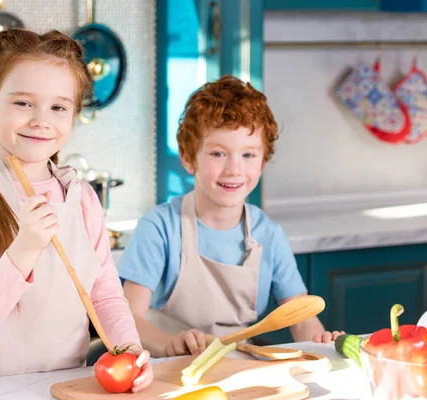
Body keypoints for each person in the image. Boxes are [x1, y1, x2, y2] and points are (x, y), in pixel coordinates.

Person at [0, 28, 152, 391]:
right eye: (23, 103)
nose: (41, 119)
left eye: (58, 107)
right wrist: (24, 247)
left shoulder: (81, 197)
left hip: (63, 384)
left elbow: (104, 293)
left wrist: (130, 351)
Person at [118, 75, 344, 359]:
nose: (234, 169)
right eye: (218, 153)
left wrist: (319, 340)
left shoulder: (268, 234)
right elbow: (127, 317)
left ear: (263, 161)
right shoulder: (160, 227)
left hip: (236, 367)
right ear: (188, 158)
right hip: (165, 367)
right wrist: (167, 344)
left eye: (248, 155)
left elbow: (299, 315)